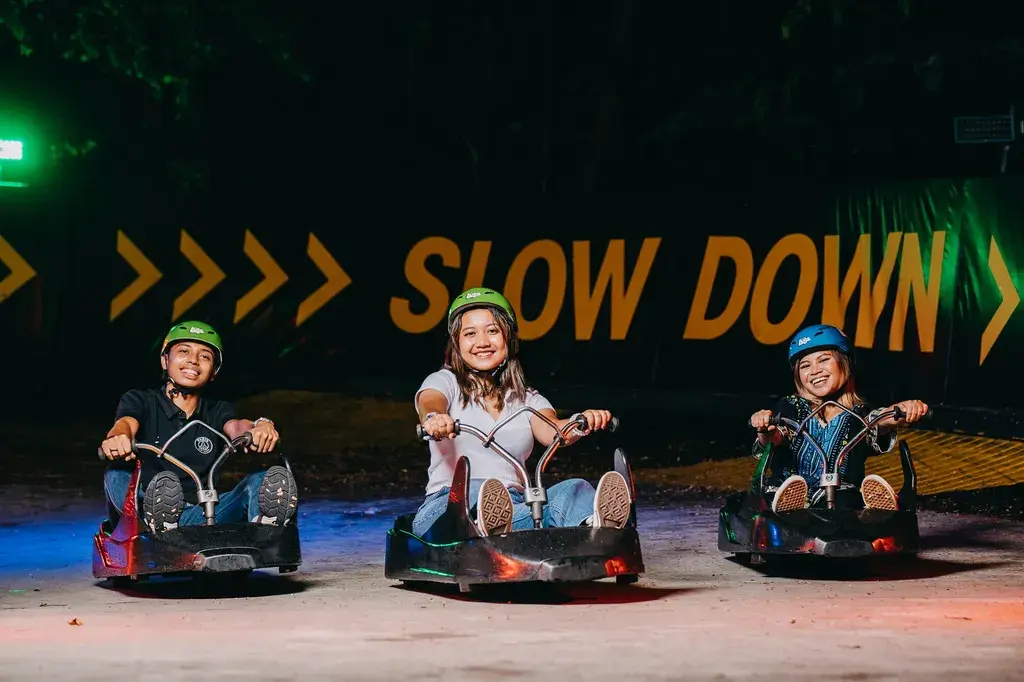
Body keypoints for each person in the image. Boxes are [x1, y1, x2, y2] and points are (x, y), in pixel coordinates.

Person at [412, 287, 633, 537]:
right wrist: (434, 418)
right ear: (456, 343)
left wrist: (581, 422)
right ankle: (492, 522)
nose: (482, 342)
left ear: (508, 338)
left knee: (573, 489)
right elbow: (431, 400)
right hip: (448, 504)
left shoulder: (526, 398)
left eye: (492, 331)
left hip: (515, 502)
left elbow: (553, 431)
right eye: (470, 333)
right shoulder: (445, 381)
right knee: (478, 491)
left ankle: (591, 524)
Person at [98, 321, 298, 533]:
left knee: (263, 479)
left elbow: (237, 427)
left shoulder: (217, 410)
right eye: (184, 351)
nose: (193, 360)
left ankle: (266, 533)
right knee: (117, 473)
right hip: (147, 509)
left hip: (202, 515)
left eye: (204, 356)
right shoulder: (141, 400)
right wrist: (118, 438)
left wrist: (259, 426)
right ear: (165, 360)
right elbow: (125, 424)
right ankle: (156, 526)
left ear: (213, 372)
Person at [748, 323, 929, 513]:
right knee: (775, 497)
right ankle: (793, 509)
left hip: (840, 495)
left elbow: (880, 420)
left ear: (844, 362)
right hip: (788, 491)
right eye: (805, 366)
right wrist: (765, 430)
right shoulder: (790, 407)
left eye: (824, 360)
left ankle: (877, 512)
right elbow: (775, 436)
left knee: (847, 499)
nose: (815, 370)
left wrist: (901, 410)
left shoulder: (858, 413)